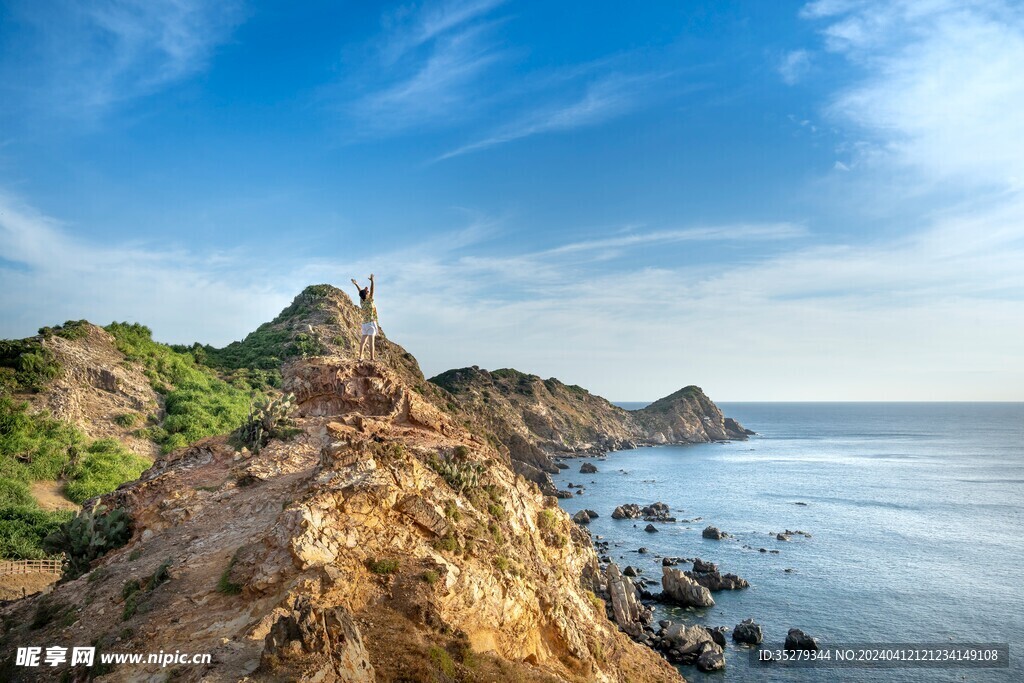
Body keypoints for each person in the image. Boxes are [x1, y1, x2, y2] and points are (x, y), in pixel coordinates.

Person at [351, 274, 379, 361]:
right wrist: (372, 281)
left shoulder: (362, 301)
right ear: (367, 294)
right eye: (367, 292)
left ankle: (360, 357)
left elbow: (360, 292)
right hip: (371, 323)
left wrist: (356, 284)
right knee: (371, 342)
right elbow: (372, 290)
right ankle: (372, 358)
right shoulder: (369, 300)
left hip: (364, 324)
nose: (368, 292)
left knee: (363, 342)